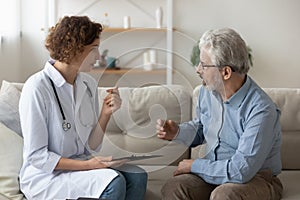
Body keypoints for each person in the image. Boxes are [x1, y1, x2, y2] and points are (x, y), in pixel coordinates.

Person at [19, 16, 147, 200]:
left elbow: (92, 146)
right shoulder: (37, 87)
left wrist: (105, 114)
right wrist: (90, 165)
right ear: (74, 48)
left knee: (138, 176)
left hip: (80, 165)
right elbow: (37, 157)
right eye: (94, 49)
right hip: (45, 176)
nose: (98, 56)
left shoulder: (88, 84)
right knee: (114, 182)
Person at [156, 28, 283, 200]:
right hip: (214, 172)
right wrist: (177, 132)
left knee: (224, 195)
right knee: (174, 187)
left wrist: (195, 165)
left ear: (226, 72)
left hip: (256, 178)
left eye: (204, 65)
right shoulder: (207, 92)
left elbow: (241, 170)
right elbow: (202, 128)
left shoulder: (261, 110)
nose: (197, 69)